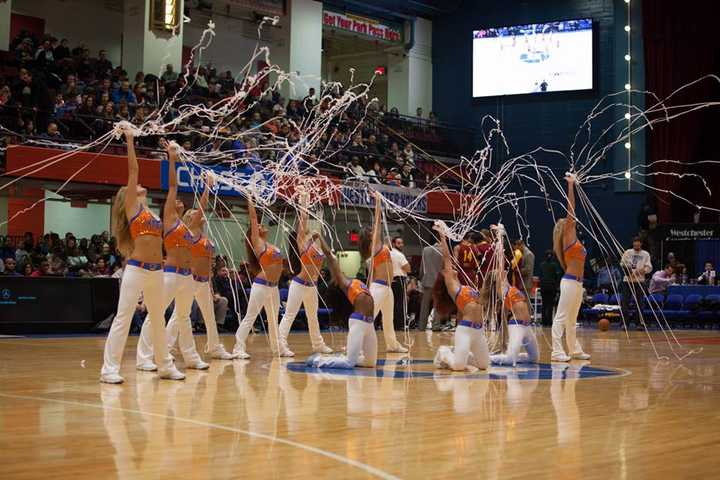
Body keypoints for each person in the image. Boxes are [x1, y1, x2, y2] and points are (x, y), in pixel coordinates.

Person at [100, 125, 183, 384]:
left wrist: (171, 159)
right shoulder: (132, 207)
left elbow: (172, 186)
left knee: (158, 318)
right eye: (136, 186)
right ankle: (109, 369)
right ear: (129, 195)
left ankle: (165, 365)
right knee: (123, 317)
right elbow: (134, 170)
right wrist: (129, 140)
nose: (140, 185)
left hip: (157, 272)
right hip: (136, 269)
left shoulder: (154, 214)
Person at [136, 139, 209, 372]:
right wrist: (172, 159)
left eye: (181, 202)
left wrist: (208, 185)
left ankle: (190, 356)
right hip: (169, 274)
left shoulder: (188, 227)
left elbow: (203, 207)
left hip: (187, 276)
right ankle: (144, 358)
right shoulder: (169, 219)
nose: (178, 201)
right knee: (156, 315)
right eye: (176, 201)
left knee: (184, 317)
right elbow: (173, 187)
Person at [166, 173, 236, 360]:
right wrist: (208, 186)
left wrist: (212, 287)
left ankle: (214, 347)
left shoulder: (205, 237)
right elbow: (203, 207)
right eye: (196, 213)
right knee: (179, 315)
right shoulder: (190, 231)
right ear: (192, 218)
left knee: (209, 317)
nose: (200, 214)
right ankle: (167, 348)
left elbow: (210, 266)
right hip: (191, 279)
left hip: (205, 282)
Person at [306, 234, 376, 369]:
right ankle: (318, 360)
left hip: (369, 324)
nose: (338, 273)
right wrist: (320, 238)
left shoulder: (352, 281)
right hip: (359, 322)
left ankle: (347, 356)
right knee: (349, 364)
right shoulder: (344, 283)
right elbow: (331, 258)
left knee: (370, 363)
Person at [278, 193, 333, 357]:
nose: (306, 228)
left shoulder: (315, 245)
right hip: (299, 284)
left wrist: (318, 236)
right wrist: (304, 200)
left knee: (313, 317)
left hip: (312, 286)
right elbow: (303, 218)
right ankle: (280, 345)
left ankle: (318, 344)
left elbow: (328, 253)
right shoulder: (302, 244)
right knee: (290, 315)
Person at [432, 223, 490, 372]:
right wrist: (442, 235)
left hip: (479, 330)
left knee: (483, 365)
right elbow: (447, 257)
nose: (451, 270)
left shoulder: (469, 284)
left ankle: (460, 354)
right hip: (465, 329)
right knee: (458, 367)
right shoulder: (453, 287)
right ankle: (444, 352)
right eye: (448, 270)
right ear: (445, 276)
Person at [232, 192, 284, 358]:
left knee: (273, 320)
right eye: (259, 226)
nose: (261, 225)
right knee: (251, 317)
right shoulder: (257, 242)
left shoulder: (270, 244)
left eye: (261, 225)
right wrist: (250, 199)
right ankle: (238, 348)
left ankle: (278, 349)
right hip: (261, 286)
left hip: (274, 287)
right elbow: (253, 219)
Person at [359, 191, 408, 353]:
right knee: (369, 317)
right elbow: (378, 221)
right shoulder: (374, 246)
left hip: (388, 287)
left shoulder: (378, 247)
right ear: (369, 237)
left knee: (389, 319)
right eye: (372, 232)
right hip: (379, 287)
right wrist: (378, 203)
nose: (375, 231)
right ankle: (358, 346)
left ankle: (392, 345)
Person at [550, 174, 591, 362]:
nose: (570, 222)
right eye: (567, 222)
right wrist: (571, 185)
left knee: (572, 320)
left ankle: (574, 350)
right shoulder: (568, 237)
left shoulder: (573, 241)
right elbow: (571, 209)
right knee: (561, 317)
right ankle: (557, 351)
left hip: (577, 284)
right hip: (569, 283)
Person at [488, 270, 539, 366]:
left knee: (534, 358)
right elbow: (500, 275)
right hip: (517, 326)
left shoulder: (510, 288)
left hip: (527, 326)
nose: (502, 272)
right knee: (510, 360)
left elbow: (504, 277)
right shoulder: (502, 291)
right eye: (498, 273)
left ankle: (513, 355)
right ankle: (488, 358)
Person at [620, 237, 652, 327]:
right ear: (633, 243)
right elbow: (622, 264)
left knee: (639, 303)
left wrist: (640, 271)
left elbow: (649, 267)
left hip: (640, 281)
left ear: (641, 244)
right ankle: (625, 323)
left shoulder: (645, 254)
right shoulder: (628, 252)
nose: (636, 244)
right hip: (628, 281)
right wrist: (629, 272)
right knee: (625, 303)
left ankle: (639, 323)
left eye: (638, 243)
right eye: (635, 243)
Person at [418, 237, 443, 331]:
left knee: (424, 305)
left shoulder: (425, 250)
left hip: (427, 280)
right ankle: (436, 326)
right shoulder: (443, 251)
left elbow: (422, 266)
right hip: (439, 282)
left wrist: (421, 277)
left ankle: (421, 326)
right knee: (437, 305)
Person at [390, 236, 411, 330]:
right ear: (393, 244)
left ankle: (393, 324)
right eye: (399, 243)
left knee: (392, 303)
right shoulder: (399, 255)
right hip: (399, 280)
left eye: (402, 243)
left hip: (391, 280)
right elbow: (408, 268)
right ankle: (400, 325)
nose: (401, 245)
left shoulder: (389, 254)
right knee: (401, 303)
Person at [539, 250, 563, 327]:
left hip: (543, 287)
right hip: (552, 287)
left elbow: (540, 276)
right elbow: (558, 276)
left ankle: (544, 321)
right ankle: (549, 322)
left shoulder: (542, 265)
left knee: (544, 305)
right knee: (550, 305)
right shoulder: (555, 265)